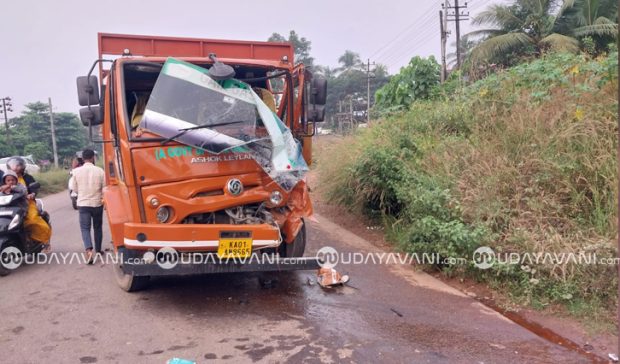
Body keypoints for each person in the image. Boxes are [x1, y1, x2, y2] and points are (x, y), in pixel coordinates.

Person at [6, 157, 51, 250]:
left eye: (17, 165)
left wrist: (32, 194)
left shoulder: (27, 177)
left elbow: (34, 188)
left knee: (32, 220)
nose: (15, 168)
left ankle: (45, 241)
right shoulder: (6, 178)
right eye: (13, 165)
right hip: (10, 205)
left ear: (22, 166)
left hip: (27, 203)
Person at [69, 149, 104, 263]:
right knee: (97, 227)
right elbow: (105, 187)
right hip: (97, 203)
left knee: (85, 228)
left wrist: (82, 192)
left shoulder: (76, 171)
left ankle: (89, 251)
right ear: (93, 157)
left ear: (83, 158)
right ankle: (98, 250)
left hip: (83, 204)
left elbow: (73, 188)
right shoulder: (100, 171)